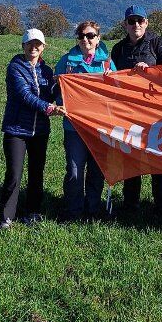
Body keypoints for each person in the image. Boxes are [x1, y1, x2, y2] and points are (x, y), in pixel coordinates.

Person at [109, 5, 162, 217]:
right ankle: (130, 203)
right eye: (131, 21)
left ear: (146, 23)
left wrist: (151, 72)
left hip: (156, 112)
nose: (136, 25)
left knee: (157, 157)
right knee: (130, 157)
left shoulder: (158, 45)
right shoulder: (118, 49)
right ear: (125, 25)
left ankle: (161, 206)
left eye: (140, 21)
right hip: (128, 111)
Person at [0, 28, 62, 230]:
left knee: (37, 172)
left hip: (40, 131)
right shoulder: (15, 68)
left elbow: (52, 93)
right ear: (23, 46)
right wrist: (49, 108)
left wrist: (63, 84)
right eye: (29, 44)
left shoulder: (47, 71)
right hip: (17, 130)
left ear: (43, 47)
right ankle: (7, 217)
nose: (33, 47)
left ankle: (33, 212)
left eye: (38, 44)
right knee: (14, 174)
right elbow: (24, 95)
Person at [54, 20, 115, 221]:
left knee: (96, 169)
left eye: (90, 36)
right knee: (74, 170)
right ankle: (73, 210)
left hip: (99, 126)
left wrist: (111, 80)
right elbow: (56, 90)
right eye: (81, 36)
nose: (85, 40)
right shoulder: (67, 62)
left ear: (98, 39)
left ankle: (93, 209)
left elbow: (117, 94)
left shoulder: (107, 64)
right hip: (74, 126)